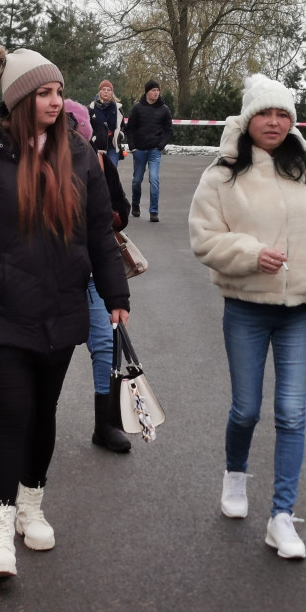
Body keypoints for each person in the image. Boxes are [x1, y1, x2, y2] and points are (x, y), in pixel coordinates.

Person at [0, 45, 130, 580]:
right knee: (11, 414)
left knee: (44, 415)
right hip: (1, 313)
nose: (56, 101)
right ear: (20, 99)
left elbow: (98, 233)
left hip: (62, 310)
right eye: (44, 93)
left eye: (59, 91)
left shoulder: (80, 153)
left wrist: (116, 298)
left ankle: (31, 505)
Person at [188, 74, 306, 561]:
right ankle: (235, 476)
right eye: (266, 113)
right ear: (248, 119)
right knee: (246, 408)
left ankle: (282, 516)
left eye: (284, 114)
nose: (275, 122)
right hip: (245, 308)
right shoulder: (222, 173)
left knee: (292, 412)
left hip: (301, 311)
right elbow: (203, 237)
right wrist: (248, 253)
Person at [65, 99, 132, 453]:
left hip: (93, 272)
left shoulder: (100, 163)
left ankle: (105, 425)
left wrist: (100, 219)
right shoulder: (33, 165)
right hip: (53, 275)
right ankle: (33, 420)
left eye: (74, 130)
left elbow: (122, 212)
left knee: (106, 345)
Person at [127, 79, 173, 222]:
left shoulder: (164, 109)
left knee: (154, 179)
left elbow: (169, 131)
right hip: (139, 150)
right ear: (147, 92)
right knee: (137, 180)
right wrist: (132, 147)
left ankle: (154, 211)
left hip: (154, 150)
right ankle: (135, 204)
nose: (156, 93)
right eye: (153, 90)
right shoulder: (137, 108)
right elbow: (130, 129)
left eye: (158, 90)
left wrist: (161, 145)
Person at [88, 80, 125, 166]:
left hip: (112, 144)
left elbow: (123, 125)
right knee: (100, 173)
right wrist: (93, 137)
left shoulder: (118, 108)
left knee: (112, 171)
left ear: (112, 92)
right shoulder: (92, 108)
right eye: (103, 89)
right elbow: (87, 125)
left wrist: (120, 134)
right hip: (97, 145)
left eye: (108, 90)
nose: (106, 92)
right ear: (99, 91)